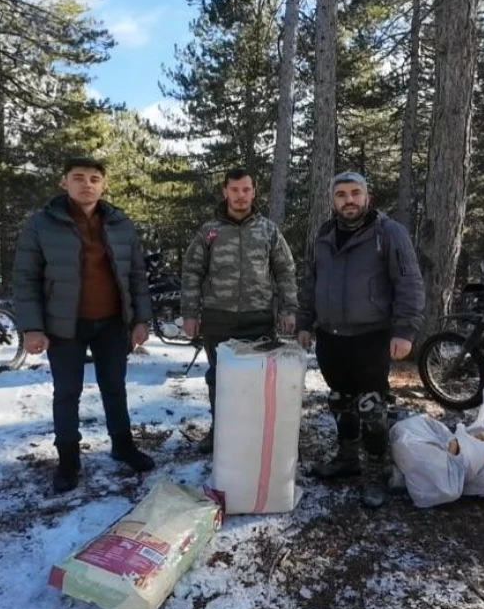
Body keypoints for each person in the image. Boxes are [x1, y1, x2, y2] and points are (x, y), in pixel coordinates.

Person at [13, 157, 156, 494]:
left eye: (94, 178)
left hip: (112, 324)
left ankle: (123, 446)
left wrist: (140, 319)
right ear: (64, 182)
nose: (87, 184)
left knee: (114, 388)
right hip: (64, 326)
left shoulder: (120, 223)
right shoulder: (41, 224)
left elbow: (136, 275)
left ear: (103, 184)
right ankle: (68, 459)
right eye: (78, 177)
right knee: (67, 393)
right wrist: (32, 327)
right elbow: (25, 278)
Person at [296, 171, 425, 509]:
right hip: (331, 336)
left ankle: (377, 471)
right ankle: (347, 458)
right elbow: (312, 283)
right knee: (340, 400)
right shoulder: (325, 235)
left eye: (355, 193)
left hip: (372, 336)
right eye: (341, 194)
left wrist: (404, 331)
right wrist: (305, 323)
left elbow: (409, 283)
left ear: (367, 197)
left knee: (372, 405)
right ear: (333, 199)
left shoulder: (389, 233)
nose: (348, 200)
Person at [181, 168, 298, 452]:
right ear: (225, 192)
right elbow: (192, 272)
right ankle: (219, 431)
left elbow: (285, 271)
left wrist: (289, 308)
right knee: (219, 378)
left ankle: (254, 431)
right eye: (235, 190)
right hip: (217, 318)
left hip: (257, 318)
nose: (241, 196)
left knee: (257, 378)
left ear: (254, 192)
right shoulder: (209, 231)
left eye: (246, 190)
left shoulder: (268, 229)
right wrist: (189, 314)